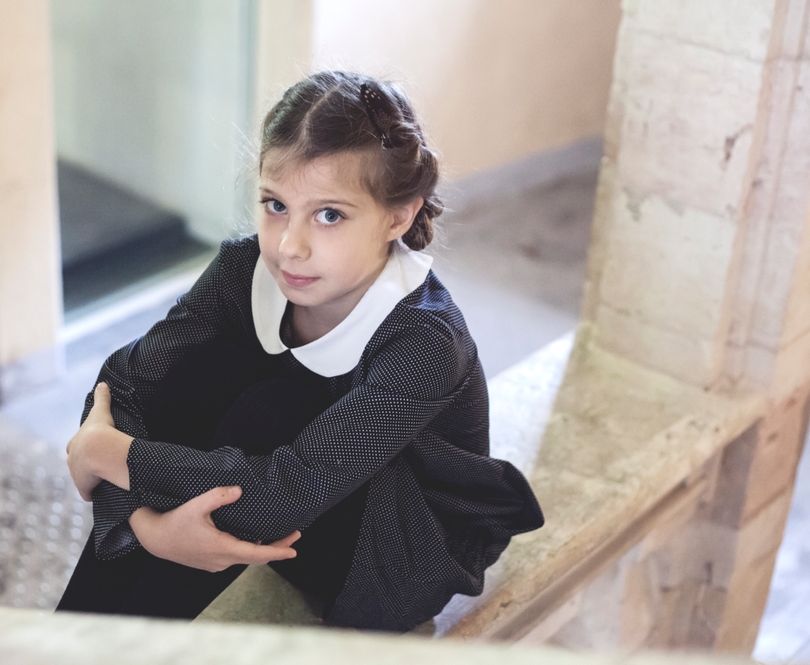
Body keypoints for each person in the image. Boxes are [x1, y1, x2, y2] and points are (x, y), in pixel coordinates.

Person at [57, 70, 544, 632]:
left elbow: (284, 494)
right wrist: (146, 526)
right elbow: (120, 386)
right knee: (199, 374)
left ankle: (108, 645)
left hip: (395, 545)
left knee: (271, 410)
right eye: (276, 204)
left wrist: (109, 457)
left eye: (329, 214)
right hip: (281, 487)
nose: (290, 247)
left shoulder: (426, 340)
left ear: (398, 216)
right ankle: (58, 643)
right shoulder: (245, 268)